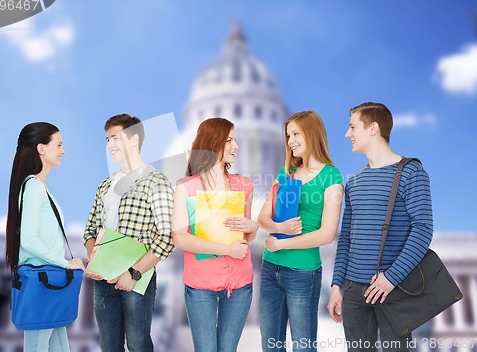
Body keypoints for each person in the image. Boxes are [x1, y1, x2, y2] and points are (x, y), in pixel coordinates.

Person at [328, 102, 433, 351]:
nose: (347, 133)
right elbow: (346, 240)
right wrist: (336, 286)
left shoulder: (412, 173)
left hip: (393, 290)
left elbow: (422, 229)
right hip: (353, 292)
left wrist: (391, 278)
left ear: (373, 128)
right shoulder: (353, 182)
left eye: (353, 127)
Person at [83, 114, 174, 352]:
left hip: (137, 279)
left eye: (116, 138)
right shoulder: (105, 185)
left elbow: (166, 237)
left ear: (134, 140)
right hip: (103, 281)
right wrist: (95, 263)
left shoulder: (156, 181)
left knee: (138, 344)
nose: (110, 145)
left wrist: (132, 273)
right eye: (107, 139)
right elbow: (90, 230)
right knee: (108, 345)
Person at [258, 111, 344, 352]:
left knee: (303, 347)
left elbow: (327, 234)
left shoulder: (332, 176)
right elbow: (263, 217)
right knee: (270, 346)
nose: (290, 141)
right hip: (269, 269)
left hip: (303, 274)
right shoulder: (286, 173)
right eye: (288, 136)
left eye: (296, 134)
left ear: (312, 133)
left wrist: (281, 243)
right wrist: (279, 228)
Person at [172, 117, 259, 352]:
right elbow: (179, 237)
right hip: (201, 284)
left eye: (236, 140)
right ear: (213, 143)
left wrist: (253, 227)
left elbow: (246, 236)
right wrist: (225, 250)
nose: (236, 146)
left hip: (240, 282)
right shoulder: (186, 187)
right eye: (230, 140)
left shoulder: (244, 185)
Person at [6, 122, 85, 352]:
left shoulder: (41, 187)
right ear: (41, 148)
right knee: (39, 346)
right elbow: (29, 240)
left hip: (49, 282)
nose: (63, 151)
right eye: (58, 145)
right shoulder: (33, 187)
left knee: (60, 347)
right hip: (43, 281)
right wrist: (65, 262)